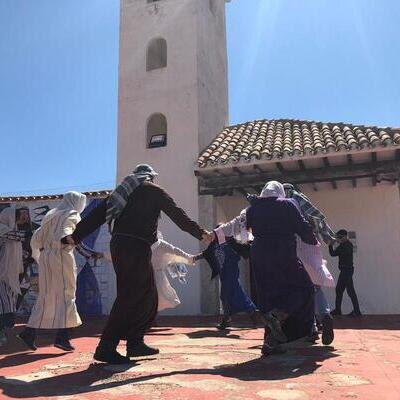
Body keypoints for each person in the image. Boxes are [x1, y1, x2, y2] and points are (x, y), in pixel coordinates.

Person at [65, 164, 211, 364]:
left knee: (144, 295)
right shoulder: (154, 190)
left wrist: (75, 236)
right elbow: (178, 215)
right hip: (136, 247)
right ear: (150, 177)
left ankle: (135, 342)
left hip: (120, 245)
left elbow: (97, 215)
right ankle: (106, 347)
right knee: (133, 296)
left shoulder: (121, 192)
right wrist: (201, 233)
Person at [215, 181, 318, 356]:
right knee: (305, 289)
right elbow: (302, 228)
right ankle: (279, 316)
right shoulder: (287, 204)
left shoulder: (253, 208)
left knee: (269, 297)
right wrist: (312, 239)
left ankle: (270, 343)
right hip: (283, 252)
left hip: (260, 255)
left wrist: (214, 234)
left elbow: (235, 224)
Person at [17, 191, 87, 351]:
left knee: (46, 295)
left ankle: (29, 332)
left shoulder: (51, 215)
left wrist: (41, 254)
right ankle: (62, 338)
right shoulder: (72, 214)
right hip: (61, 256)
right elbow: (67, 232)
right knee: (67, 294)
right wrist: (66, 239)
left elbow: (36, 239)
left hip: (46, 257)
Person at [283, 183, 334, 345]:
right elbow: (319, 218)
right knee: (316, 286)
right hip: (312, 245)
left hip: (295, 246)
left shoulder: (284, 203)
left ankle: (311, 328)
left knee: (301, 289)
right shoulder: (303, 201)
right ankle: (325, 315)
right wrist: (328, 237)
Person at [201, 234, 260, 330]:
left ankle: (228, 319)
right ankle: (250, 312)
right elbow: (207, 253)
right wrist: (194, 258)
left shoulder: (232, 242)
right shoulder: (214, 244)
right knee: (229, 295)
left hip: (231, 272)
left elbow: (243, 250)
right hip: (223, 274)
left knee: (228, 295)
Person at [0, 206, 25, 346]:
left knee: (7, 303)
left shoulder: (12, 230)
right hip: (2, 273)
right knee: (4, 304)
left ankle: (3, 330)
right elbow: (17, 236)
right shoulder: (3, 229)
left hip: (10, 273)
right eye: (16, 216)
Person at [329, 229, 362, 317]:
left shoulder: (347, 245)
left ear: (345, 236)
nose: (339, 239)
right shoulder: (342, 245)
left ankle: (357, 311)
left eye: (340, 237)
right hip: (344, 271)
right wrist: (330, 245)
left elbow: (338, 253)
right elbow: (332, 254)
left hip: (347, 270)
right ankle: (338, 310)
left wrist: (334, 244)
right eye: (338, 237)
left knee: (350, 291)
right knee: (339, 290)